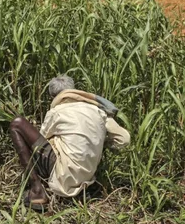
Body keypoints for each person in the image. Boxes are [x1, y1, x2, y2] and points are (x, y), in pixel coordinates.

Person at [9, 76, 131, 210]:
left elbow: (40, 142)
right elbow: (124, 139)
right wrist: (99, 142)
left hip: (64, 176)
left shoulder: (56, 112)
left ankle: (37, 189)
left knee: (17, 123)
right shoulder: (98, 110)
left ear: (53, 96)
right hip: (88, 175)